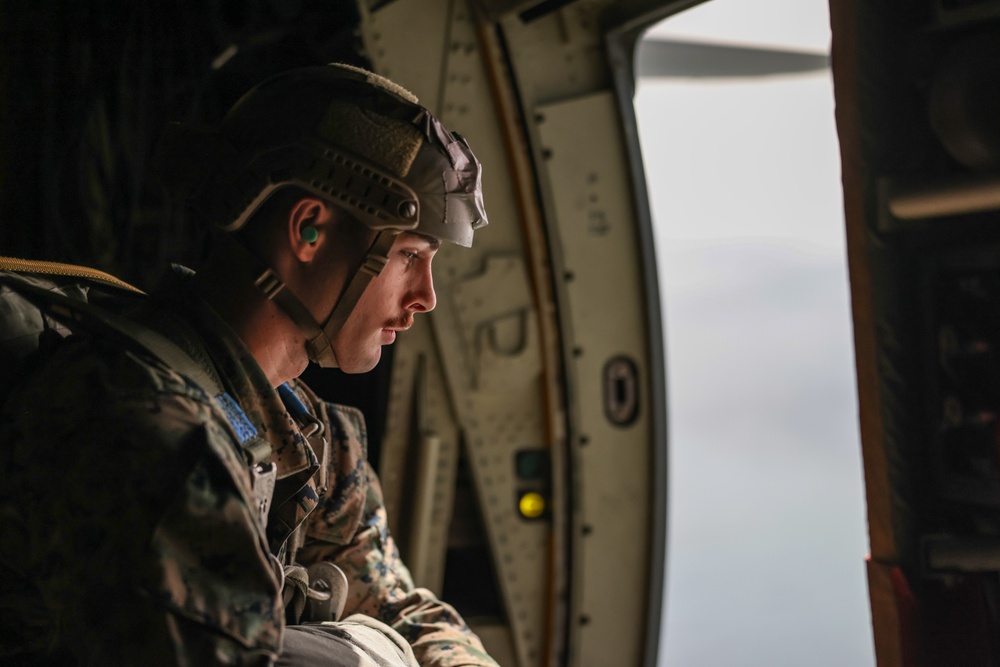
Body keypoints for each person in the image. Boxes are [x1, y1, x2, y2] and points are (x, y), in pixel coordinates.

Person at [0, 63, 499, 666]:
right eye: (408, 256)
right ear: (309, 232)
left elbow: (402, 604)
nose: (426, 296)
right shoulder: (153, 433)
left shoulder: (304, 431)